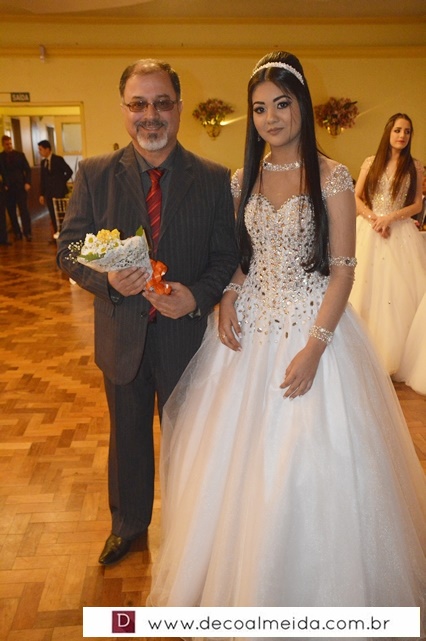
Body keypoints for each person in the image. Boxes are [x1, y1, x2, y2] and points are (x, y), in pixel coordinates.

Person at [147, 51, 426, 636]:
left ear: (301, 106)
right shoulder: (240, 178)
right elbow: (243, 259)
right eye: (259, 109)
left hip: (312, 324)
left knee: (309, 458)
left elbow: (344, 270)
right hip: (247, 328)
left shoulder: (333, 176)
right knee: (231, 464)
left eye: (281, 104)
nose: (270, 118)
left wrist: (316, 348)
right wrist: (227, 294)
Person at [56, 59, 238, 566]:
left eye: (161, 103)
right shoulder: (95, 174)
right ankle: (128, 526)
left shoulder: (213, 179)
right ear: (124, 109)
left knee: (190, 442)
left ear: (178, 108)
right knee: (128, 440)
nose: (150, 114)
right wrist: (107, 282)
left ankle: (191, 531)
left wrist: (196, 297)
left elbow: (226, 257)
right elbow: (69, 249)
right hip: (122, 339)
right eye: (138, 103)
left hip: (187, 340)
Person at [349, 114, 426, 376]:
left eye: (407, 131)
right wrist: (374, 219)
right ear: (388, 132)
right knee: (364, 291)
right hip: (370, 230)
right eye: (398, 130)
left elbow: (417, 204)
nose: (402, 135)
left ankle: (391, 359)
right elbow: (356, 196)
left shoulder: (414, 166)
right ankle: (360, 357)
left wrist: (390, 218)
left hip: (399, 231)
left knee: (397, 295)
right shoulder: (371, 162)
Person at [38, 140, 73, 240]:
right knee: (52, 214)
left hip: (59, 191)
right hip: (49, 193)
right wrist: (41, 194)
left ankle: (65, 233)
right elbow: (43, 179)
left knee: (61, 213)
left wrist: (61, 182)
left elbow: (69, 171)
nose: (40, 152)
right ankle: (57, 234)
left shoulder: (58, 159)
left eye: (41, 149)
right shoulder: (43, 162)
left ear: (47, 149)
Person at [0, 134, 32, 241]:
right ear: (3, 145)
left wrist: (27, 182)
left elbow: (27, 170)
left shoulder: (20, 155)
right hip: (8, 189)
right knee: (11, 211)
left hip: (20, 186)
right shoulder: (1, 157)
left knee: (24, 210)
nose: (9, 146)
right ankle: (17, 232)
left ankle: (27, 232)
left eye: (10, 143)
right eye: (7, 144)